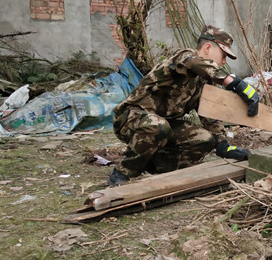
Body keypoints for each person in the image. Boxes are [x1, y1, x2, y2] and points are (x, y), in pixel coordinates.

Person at [108, 25, 259, 186]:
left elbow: (210, 115)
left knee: (205, 139)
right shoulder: (183, 57)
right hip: (130, 118)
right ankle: (123, 172)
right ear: (208, 47)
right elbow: (194, 63)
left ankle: (153, 166)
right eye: (223, 55)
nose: (223, 62)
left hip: (163, 125)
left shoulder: (203, 82)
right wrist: (235, 83)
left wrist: (223, 145)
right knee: (158, 126)